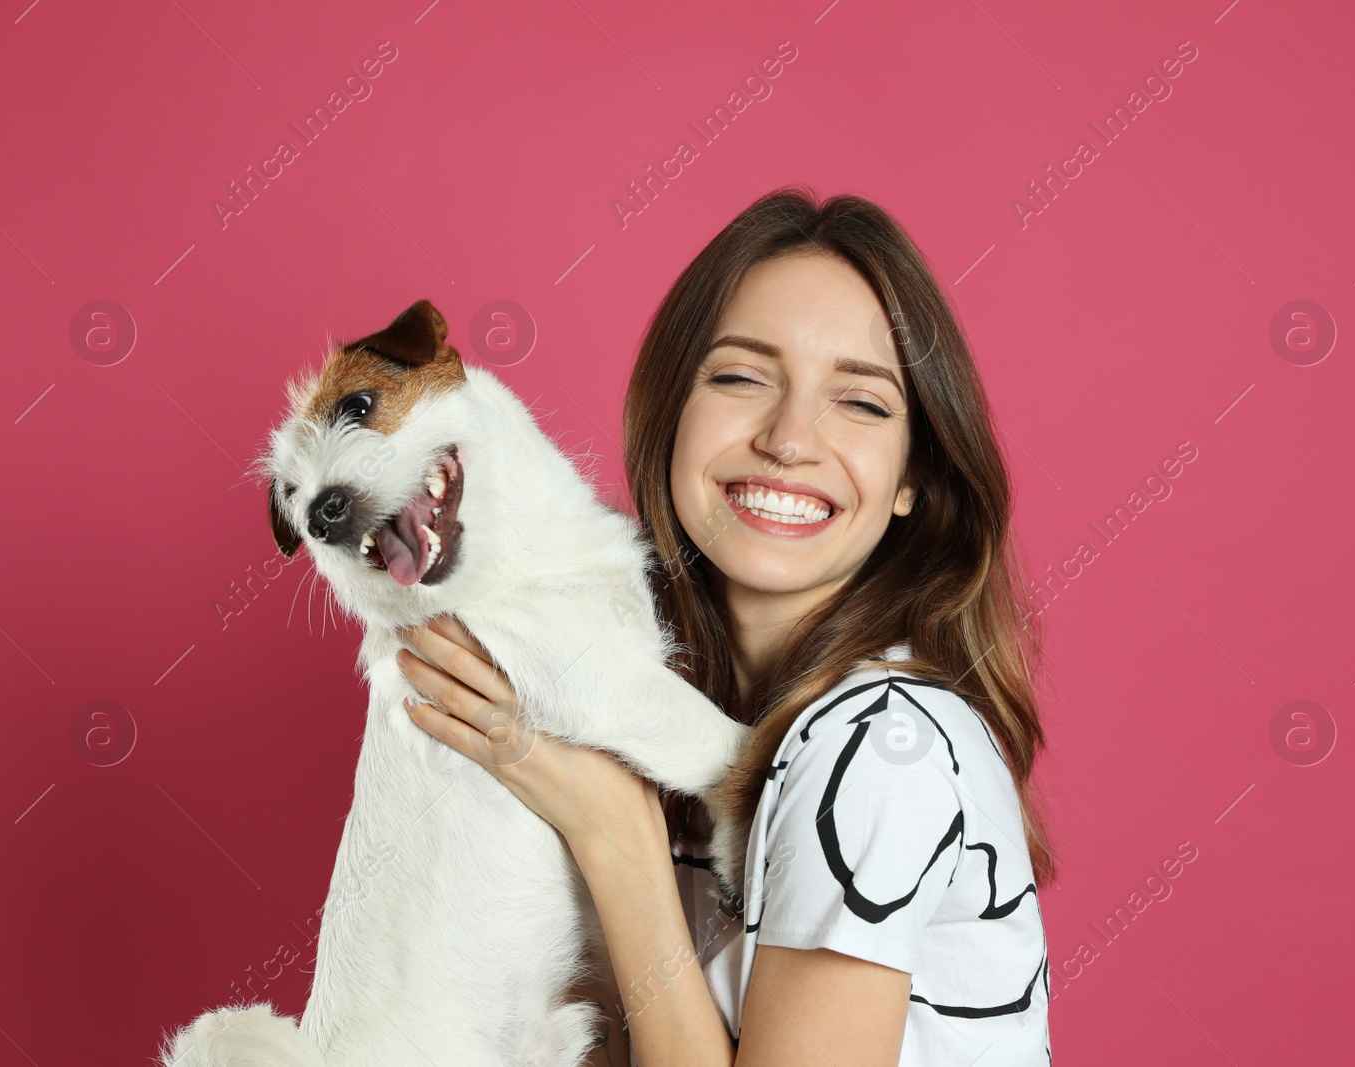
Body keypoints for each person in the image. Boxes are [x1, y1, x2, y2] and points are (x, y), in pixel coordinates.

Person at [393, 186, 1058, 1066]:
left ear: (914, 481)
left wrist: (611, 831)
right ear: (670, 415)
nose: (789, 438)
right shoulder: (674, 719)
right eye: (742, 377)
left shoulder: (878, 745)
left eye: (860, 402)